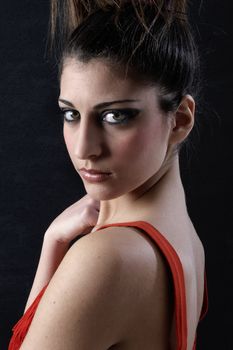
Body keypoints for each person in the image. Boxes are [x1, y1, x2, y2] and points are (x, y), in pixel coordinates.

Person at [9, 0, 208, 349]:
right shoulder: (184, 238)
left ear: (180, 120)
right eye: (70, 115)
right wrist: (53, 242)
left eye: (115, 116)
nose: (84, 148)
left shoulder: (109, 258)